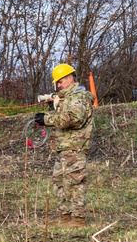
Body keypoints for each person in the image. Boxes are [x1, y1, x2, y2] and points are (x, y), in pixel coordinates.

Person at [35, 63, 95, 228]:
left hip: (75, 148)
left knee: (74, 183)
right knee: (59, 182)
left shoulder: (80, 97)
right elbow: (63, 116)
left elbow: (74, 119)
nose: (58, 85)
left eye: (60, 82)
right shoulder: (66, 98)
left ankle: (78, 219)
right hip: (63, 148)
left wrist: (47, 120)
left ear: (70, 78)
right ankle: (65, 216)